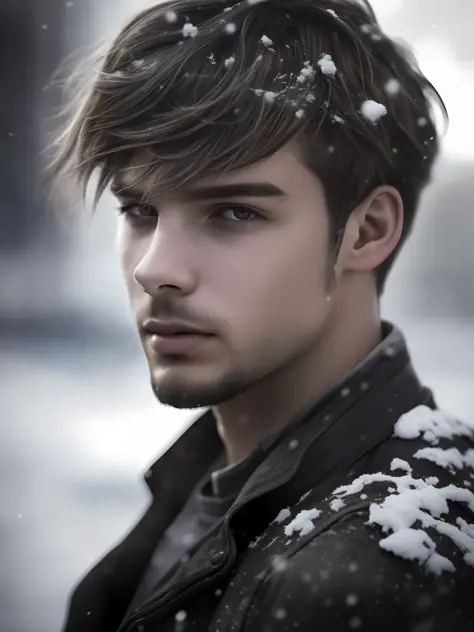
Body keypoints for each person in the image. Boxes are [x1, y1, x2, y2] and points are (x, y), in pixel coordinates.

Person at [49, 0, 474, 630]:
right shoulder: (218, 479)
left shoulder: (362, 576)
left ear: (367, 231)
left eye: (234, 212)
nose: (154, 269)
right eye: (139, 209)